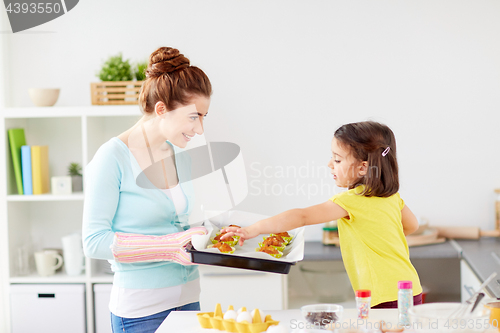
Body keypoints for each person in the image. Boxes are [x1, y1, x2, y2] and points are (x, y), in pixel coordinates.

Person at [222, 121, 423, 308]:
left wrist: (252, 229)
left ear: (363, 167)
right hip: (410, 288)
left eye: (337, 159)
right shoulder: (391, 197)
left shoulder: (350, 201)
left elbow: (302, 216)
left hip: (383, 294)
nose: (329, 164)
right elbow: (412, 226)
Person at [82, 46, 212, 333]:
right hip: (141, 314)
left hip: (190, 304)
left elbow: (184, 225)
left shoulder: (181, 155)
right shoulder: (112, 157)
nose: (200, 129)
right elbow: (93, 241)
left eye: (204, 117)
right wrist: (168, 247)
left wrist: (220, 233)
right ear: (162, 109)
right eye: (194, 117)